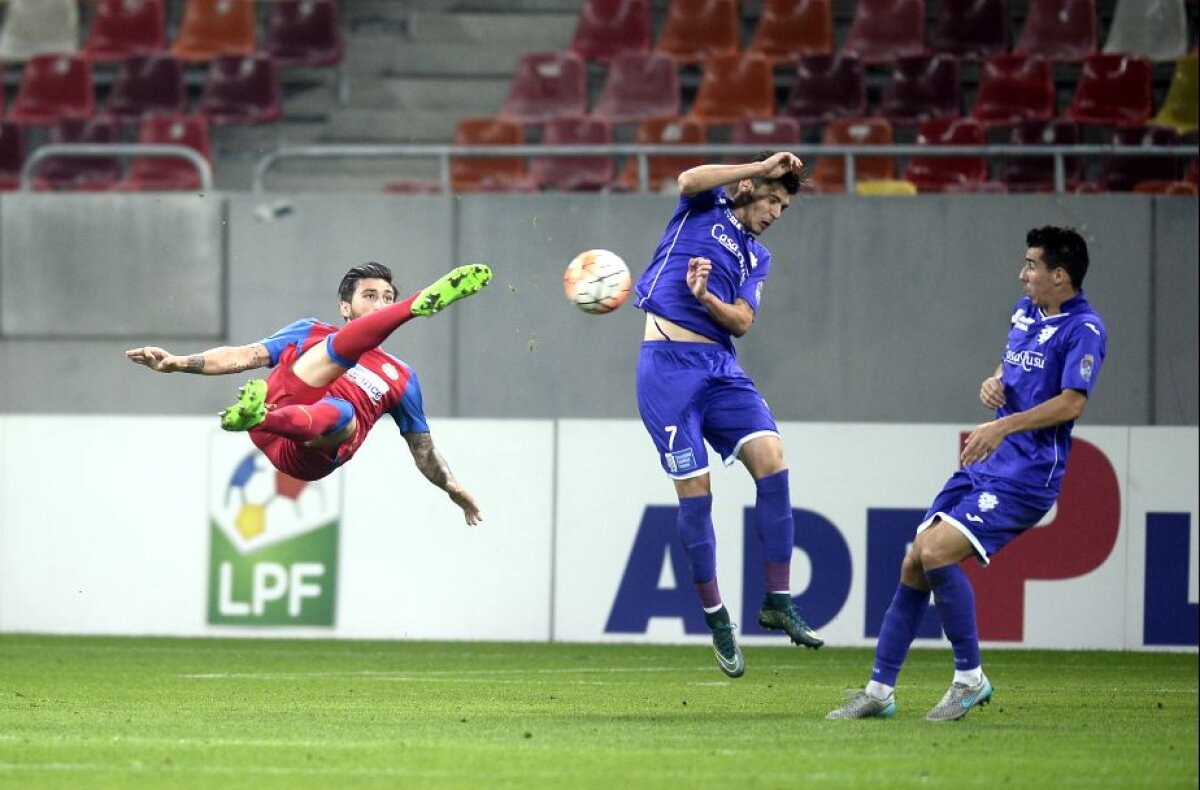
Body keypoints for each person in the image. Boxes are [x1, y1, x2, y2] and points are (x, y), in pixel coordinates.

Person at [827, 226, 1107, 722]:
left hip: (1027, 475)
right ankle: (879, 691)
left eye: (1031, 266)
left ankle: (970, 679)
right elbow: (1010, 367)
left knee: (936, 551)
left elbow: (1071, 403)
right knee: (915, 561)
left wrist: (1003, 425)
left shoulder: (1084, 329)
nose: (1022, 274)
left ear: (1059, 275)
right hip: (987, 463)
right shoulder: (1024, 312)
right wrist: (995, 382)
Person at [633, 151, 822, 679]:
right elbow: (686, 177)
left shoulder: (757, 257)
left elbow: (741, 321)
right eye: (773, 201)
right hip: (666, 371)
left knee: (773, 459)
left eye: (784, 207)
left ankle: (777, 599)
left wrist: (705, 298)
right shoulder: (703, 205)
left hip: (720, 367)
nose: (776, 213)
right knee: (698, 496)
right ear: (749, 189)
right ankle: (717, 618)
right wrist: (760, 166)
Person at [127, 262, 492, 525]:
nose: (380, 304)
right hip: (282, 405)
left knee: (344, 413)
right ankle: (413, 307)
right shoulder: (311, 331)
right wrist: (177, 362)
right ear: (345, 306)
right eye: (370, 296)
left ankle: (259, 416)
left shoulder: (403, 377)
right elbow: (244, 356)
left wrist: (452, 487)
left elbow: (423, 450)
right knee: (331, 351)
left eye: (388, 298)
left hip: (311, 451)